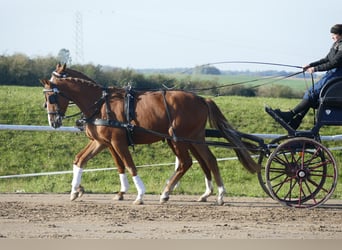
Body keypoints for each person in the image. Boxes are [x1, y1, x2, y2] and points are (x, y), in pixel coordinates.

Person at [270, 24, 342, 130]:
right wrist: (311, 65)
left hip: (336, 76)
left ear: (340, 34)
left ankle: (291, 115)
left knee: (311, 93)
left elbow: (334, 63)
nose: (332, 37)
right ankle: (296, 121)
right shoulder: (336, 44)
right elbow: (326, 59)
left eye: (334, 35)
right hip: (331, 75)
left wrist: (315, 69)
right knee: (311, 94)